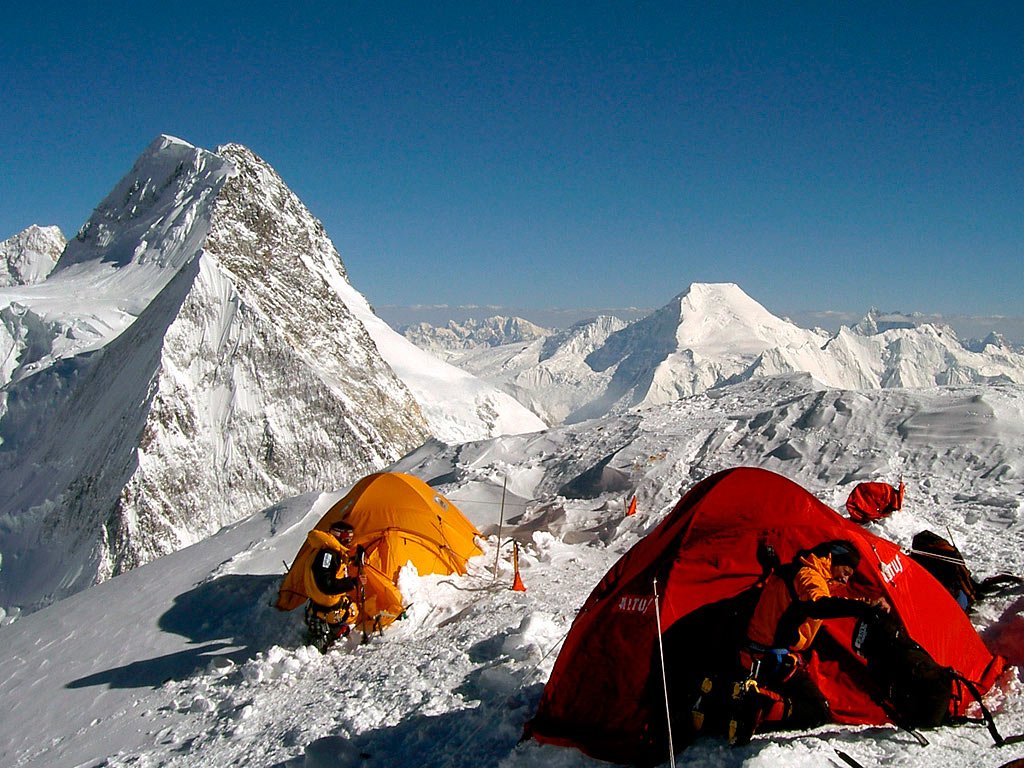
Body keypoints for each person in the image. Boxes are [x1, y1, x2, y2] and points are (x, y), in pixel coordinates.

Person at [729, 539, 891, 745]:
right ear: (832, 559)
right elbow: (818, 605)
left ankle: (736, 700)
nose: (845, 579)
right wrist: (864, 608)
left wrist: (865, 602)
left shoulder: (796, 571)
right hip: (771, 659)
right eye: (846, 571)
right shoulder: (809, 576)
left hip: (756, 652)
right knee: (817, 711)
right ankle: (758, 705)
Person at [303, 521, 362, 653]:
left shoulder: (323, 549)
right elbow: (327, 585)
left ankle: (321, 623)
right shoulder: (329, 555)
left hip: (316, 602)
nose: (349, 541)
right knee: (354, 612)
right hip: (330, 604)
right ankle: (332, 630)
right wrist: (352, 582)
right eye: (348, 537)